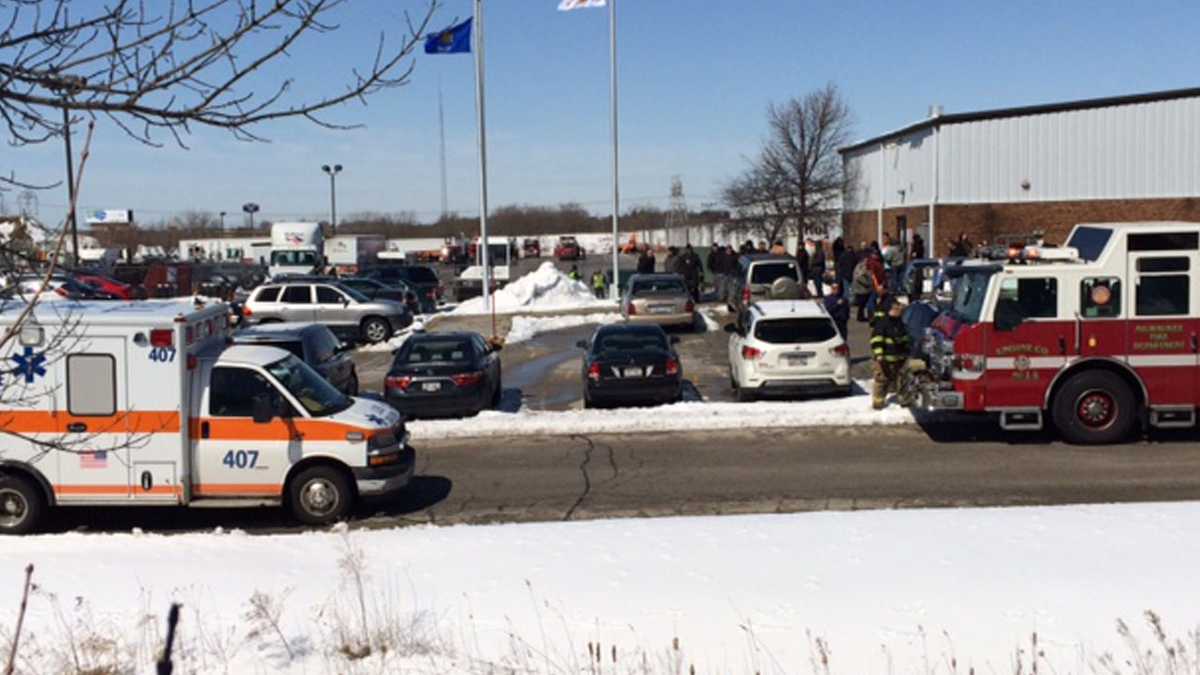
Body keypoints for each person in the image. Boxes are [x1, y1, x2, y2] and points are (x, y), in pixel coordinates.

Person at [870, 296, 912, 410]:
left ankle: (903, 399)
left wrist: (906, 351)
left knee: (902, 379)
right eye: (896, 308)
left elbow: (904, 339)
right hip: (884, 359)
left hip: (898, 358)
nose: (899, 310)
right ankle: (878, 402)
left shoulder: (900, 323)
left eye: (900, 308)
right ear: (890, 310)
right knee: (882, 380)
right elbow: (876, 340)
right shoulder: (882, 323)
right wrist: (879, 354)